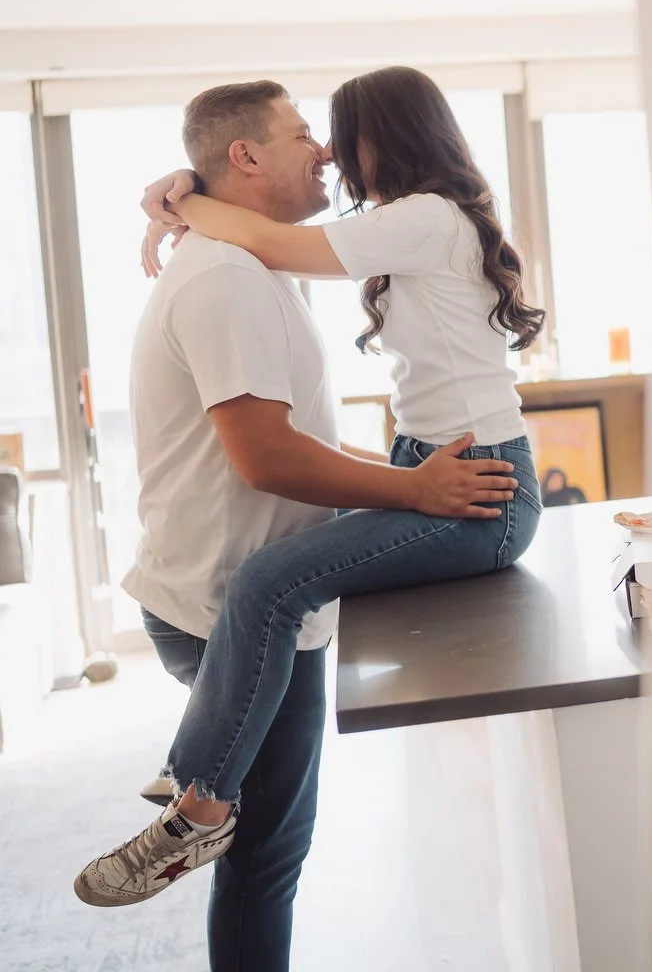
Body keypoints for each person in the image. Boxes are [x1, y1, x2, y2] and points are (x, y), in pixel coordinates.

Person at [66, 79, 519, 965]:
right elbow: (269, 457)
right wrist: (411, 489)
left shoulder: (266, 259)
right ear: (247, 155)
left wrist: (182, 195)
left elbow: (297, 417)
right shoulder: (229, 274)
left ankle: (199, 793)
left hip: (269, 590)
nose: (323, 152)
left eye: (332, 134)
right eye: (304, 133)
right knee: (267, 849)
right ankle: (198, 795)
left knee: (271, 852)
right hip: (223, 597)